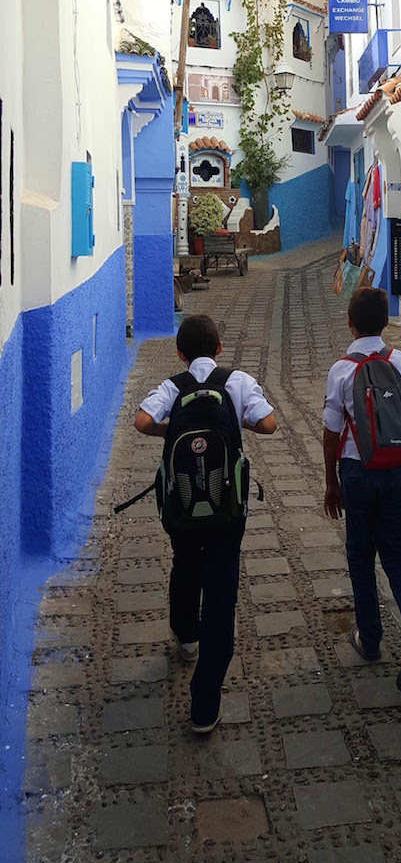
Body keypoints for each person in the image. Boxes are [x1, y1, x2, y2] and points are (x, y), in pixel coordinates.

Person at [135, 314, 277, 734]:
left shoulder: (171, 387)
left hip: (180, 508)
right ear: (219, 348)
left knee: (184, 564)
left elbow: (142, 422)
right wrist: (239, 423)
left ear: (179, 353)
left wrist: (173, 431)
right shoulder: (237, 382)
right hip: (226, 511)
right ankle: (204, 705)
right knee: (221, 596)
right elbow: (268, 424)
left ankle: (185, 636)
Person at [322, 287, 401, 694]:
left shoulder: (341, 369)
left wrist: (330, 481)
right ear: (387, 322)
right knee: (398, 554)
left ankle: (369, 640)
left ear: (349, 324)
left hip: (357, 470)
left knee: (359, 554)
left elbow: (331, 431)